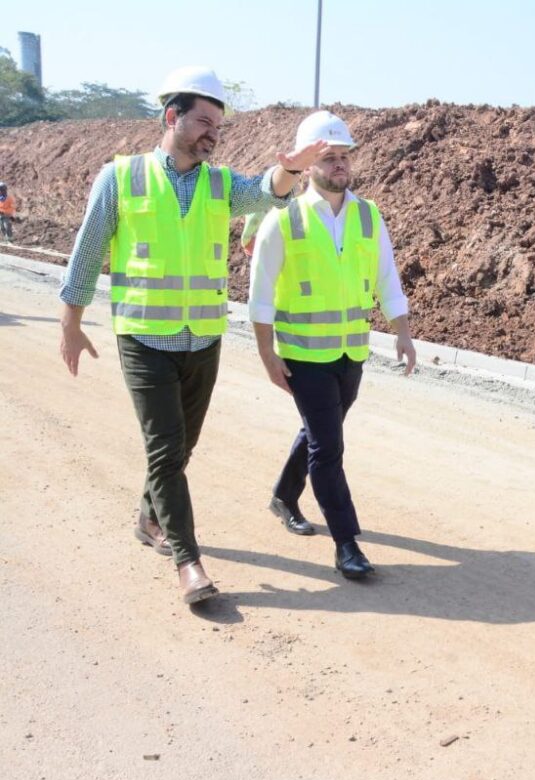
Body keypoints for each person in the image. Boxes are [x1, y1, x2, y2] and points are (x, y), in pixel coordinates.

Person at [57, 66, 327, 605]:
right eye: (204, 122)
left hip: (202, 338)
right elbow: (88, 251)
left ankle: (148, 517)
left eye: (218, 128)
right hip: (144, 337)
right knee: (165, 449)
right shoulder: (121, 177)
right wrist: (71, 323)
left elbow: (264, 193)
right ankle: (189, 562)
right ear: (171, 117)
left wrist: (291, 169)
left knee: (181, 447)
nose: (212, 135)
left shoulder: (220, 184)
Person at [249, 110, 416, 579]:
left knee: (320, 432)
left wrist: (403, 332)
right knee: (328, 448)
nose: (339, 163)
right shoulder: (283, 219)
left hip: (350, 354)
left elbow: (387, 276)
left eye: (344, 155)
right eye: (328, 157)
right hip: (303, 356)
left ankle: (285, 496)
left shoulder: (368, 215)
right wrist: (267, 355)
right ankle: (346, 543)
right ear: (307, 165)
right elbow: (261, 293)